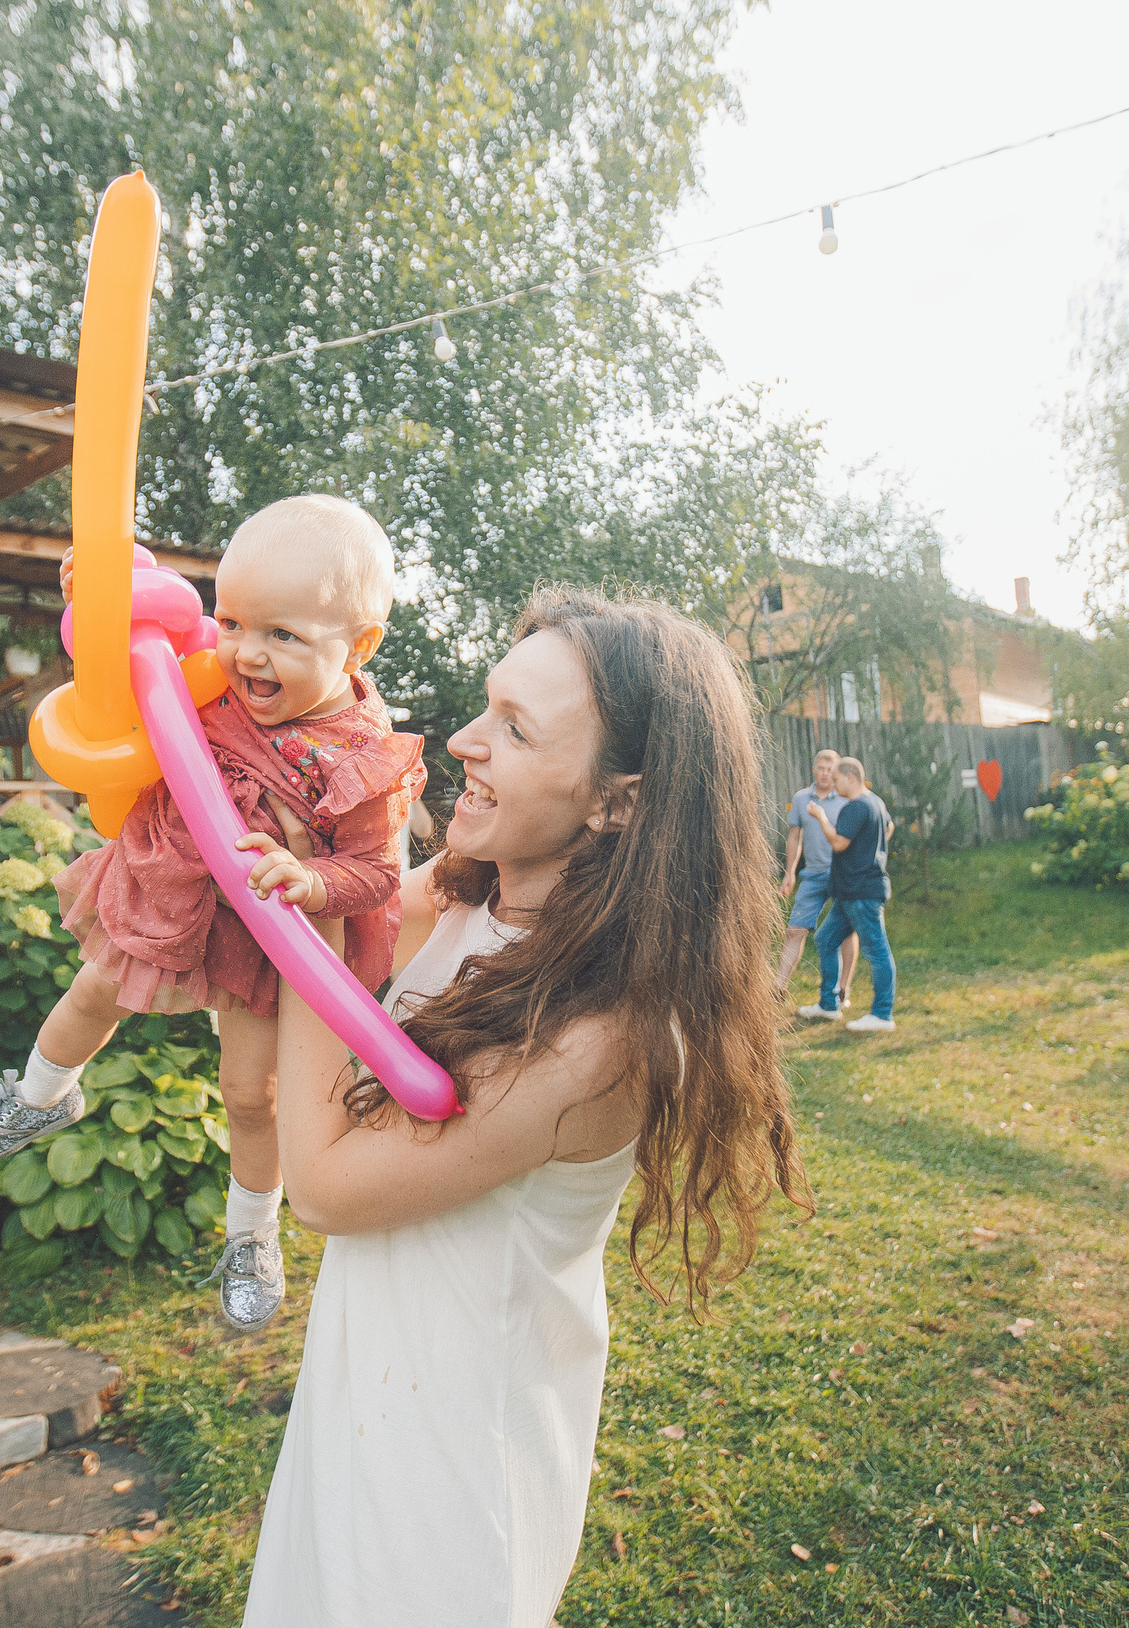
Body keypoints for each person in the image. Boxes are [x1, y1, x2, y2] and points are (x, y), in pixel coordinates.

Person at [239, 587, 806, 1628]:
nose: (463, 740)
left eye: (515, 728)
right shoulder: (471, 893)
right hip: (365, 1396)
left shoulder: (598, 1037)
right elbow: (351, 923)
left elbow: (323, 1184)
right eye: (485, 706)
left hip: (452, 1469)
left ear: (617, 802)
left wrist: (300, 919)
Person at [0, 495, 426, 1335]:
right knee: (92, 991)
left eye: (283, 635)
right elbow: (131, 639)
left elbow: (379, 873)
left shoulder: (364, 758)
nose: (248, 652)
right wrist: (97, 592)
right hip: (171, 879)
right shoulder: (205, 667)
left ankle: (252, 1236)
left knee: (250, 1093)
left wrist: (312, 878)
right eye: (234, 621)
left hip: (264, 932)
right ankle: (40, 1095)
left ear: (359, 646)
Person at [795, 755, 895, 1032]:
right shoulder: (876, 802)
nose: (833, 784)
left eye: (837, 779)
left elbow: (838, 843)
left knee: (877, 951)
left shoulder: (857, 806)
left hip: (861, 893)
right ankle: (828, 1005)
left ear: (851, 778)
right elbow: (889, 828)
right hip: (849, 893)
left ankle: (882, 1015)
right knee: (826, 940)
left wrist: (820, 817)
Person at [779, 747, 858, 1011]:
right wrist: (789, 872)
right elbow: (795, 837)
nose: (824, 774)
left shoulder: (846, 798)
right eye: (821, 769)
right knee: (795, 930)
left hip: (841, 874)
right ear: (814, 770)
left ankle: (843, 990)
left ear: (837, 772)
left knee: (846, 932)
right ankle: (778, 988)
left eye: (829, 770)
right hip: (812, 875)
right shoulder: (802, 798)